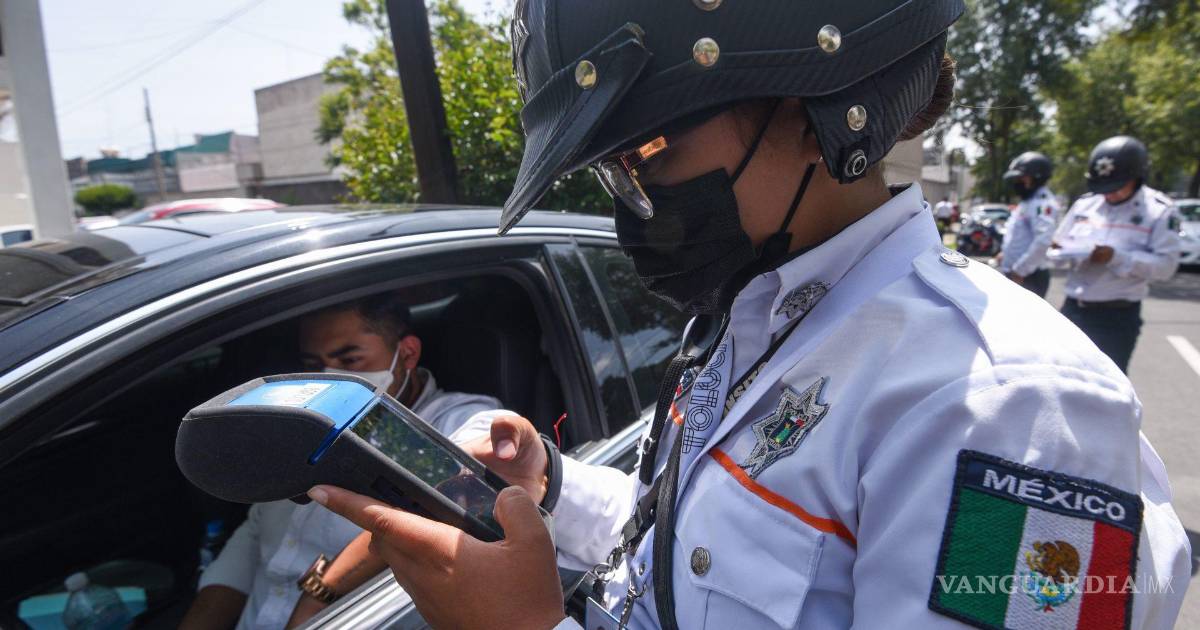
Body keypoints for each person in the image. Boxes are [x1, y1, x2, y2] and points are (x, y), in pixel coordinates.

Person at [311, 3, 1190, 629]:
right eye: (611, 171)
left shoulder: (1008, 411)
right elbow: (694, 550)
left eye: (649, 150)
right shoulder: (756, 320)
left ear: (817, 104)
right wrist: (553, 488)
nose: (633, 201)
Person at [179, 294, 501, 630]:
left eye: (349, 359)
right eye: (314, 364)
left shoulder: (463, 421)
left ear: (407, 353)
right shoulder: (296, 426)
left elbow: (450, 500)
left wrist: (320, 595)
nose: (330, 376)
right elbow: (250, 543)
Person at [1050, 136, 1182, 373]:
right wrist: (1061, 250)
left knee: (1107, 385)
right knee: (1062, 377)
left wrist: (1117, 257)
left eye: (1116, 186)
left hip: (1116, 317)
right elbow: (1057, 245)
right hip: (1073, 309)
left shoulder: (1159, 211)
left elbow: (1166, 267)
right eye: (1103, 187)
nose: (1108, 194)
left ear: (1137, 177)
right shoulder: (1086, 205)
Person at [999, 152, 1060, 298]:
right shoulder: (1028, 201)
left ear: (1037, 177)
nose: (1017, 182)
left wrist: (1020, 270)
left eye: (1022, 178)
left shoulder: (1042, 203)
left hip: (1027, 276)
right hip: (1018, 274)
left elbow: (1043, 240)